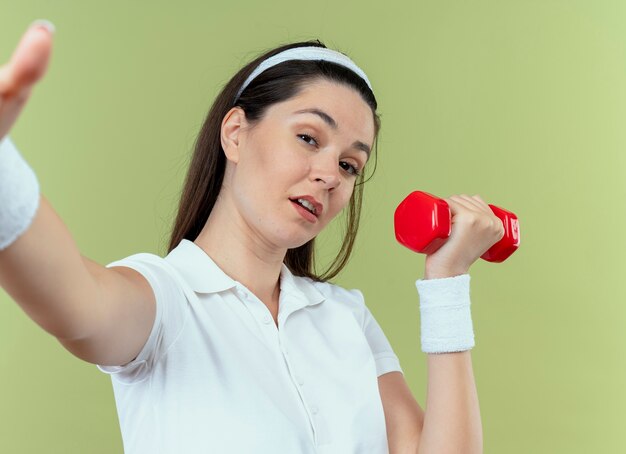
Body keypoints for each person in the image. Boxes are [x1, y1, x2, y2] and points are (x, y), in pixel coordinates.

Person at [0, 20, 504, 454]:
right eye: (309, 137)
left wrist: (447, 283)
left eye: (350, 164)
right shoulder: (167, 301)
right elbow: (73, 300)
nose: (330, 174)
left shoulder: (346, 319)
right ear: (236, 133)